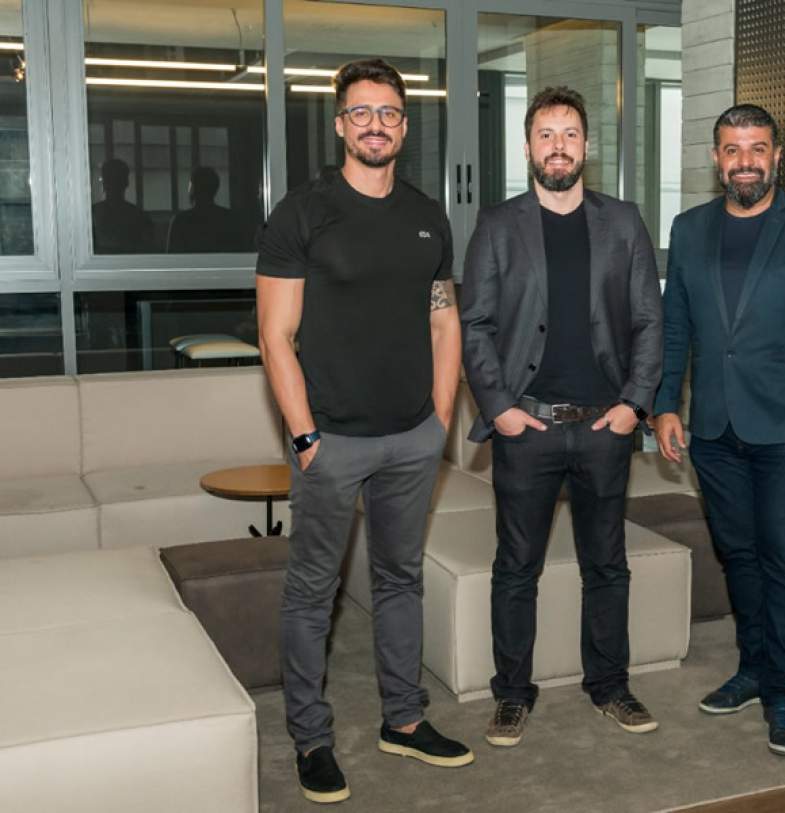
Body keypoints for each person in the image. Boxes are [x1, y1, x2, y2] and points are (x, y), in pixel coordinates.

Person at [256, 57, 471, 805]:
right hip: (332, 441)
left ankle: (403, 719)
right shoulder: (302, 213)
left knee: (399, 579)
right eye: (361, 112)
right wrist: (305, 436)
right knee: (312, 592)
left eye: (388, 113)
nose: (375, 125)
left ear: (404, 127)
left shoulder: (427, 215)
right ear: (340, 124)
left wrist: (440, 417)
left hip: (412, 435)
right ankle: (311, 738)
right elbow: (275, 336)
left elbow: (444, 319)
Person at [460, 85, 663, 749]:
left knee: (607, 564)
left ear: (587, 146)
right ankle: (512, 694)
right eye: (546, 134)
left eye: (570, 133)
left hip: (606, 427)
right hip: (529, 428)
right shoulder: (498, 225)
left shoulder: (623, 221)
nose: (558, 145)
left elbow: (648, 319)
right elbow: (476, 323)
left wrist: (635, 403)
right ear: (528, 147)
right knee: (517, 566)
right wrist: (500, 409)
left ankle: (610, 684)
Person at [652, 103, 785, 758]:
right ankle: (752, 666)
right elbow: (676, 326)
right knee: (736, 553)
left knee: (783, 557)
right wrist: (665, 403)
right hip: (714, 426)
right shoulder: (689, 229)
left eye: (758, 148)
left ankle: (784, 690)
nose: (746, 161)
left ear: (776, 156)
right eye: (733, 149)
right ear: (717, 159)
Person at [166, 166, 248, 253]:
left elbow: (172, 257)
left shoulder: (180, 221)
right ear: (215, 189)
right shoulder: (230, 219)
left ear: (193, 188)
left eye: (190, 184)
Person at [91, 158, 155, 254]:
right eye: (111, 179)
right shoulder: (139, 215)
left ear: (103, 183)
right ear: (126, 182)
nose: (114, 183)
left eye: (116, 179)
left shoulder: (92, 214)